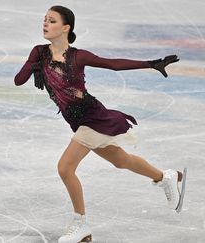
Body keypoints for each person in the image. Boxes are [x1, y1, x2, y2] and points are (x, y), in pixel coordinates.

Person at [14, 5, 187, 243]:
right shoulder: (39, 52)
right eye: (44, 20)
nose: (45, 24)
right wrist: (32, 64)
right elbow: (18, 80)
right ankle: (164, 176)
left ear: (66, 28)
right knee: (121, 160)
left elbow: (112, 64)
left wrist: (150, 63)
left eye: (51, 21)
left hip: (91, 118)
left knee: (65, 168)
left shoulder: (78, 56)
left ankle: (81, 225)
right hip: (78, 121)